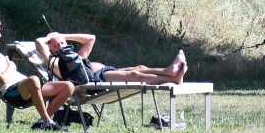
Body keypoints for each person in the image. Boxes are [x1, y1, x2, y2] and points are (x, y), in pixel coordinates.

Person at [0, 16, 74, 131]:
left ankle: (41, 122)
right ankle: (48, 122)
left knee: (68, 86)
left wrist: (13, 63)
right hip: (12, 92)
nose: (0, 35)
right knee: (33, 79)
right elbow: (3, 79)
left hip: (26, 87)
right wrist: (12, 65)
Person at [36, 32, 187, 85]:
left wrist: (63, 35)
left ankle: (170, 72)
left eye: (63, 42)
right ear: (51, 49)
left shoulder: (76, 59)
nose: (61, 45)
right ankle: (172, 77)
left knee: (140, 68)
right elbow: (38, 42)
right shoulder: (53, 61)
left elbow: (91, 39)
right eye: (56, 45)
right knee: (134, 76)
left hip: (105, 73)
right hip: (95, 81)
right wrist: (50, 38)